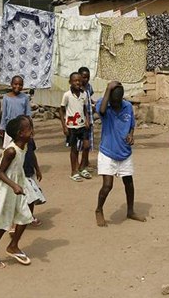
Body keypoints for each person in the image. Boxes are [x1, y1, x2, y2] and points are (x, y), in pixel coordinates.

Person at [94, 81, 146, 227]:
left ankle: (130, 211)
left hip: (124, 152)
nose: (116, 105)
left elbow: (131, 126)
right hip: (107, 152)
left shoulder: (128, 107)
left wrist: (131, 135)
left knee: (129, 183)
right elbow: (102, 111)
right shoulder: (105, 104)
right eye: (113, 102)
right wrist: (107, 89)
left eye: (118, 102)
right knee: (107, 185)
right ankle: (99, 210)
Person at [0, 115, 34, 269]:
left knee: (26, 217)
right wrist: (14, 185)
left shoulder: (25, 145)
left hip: (17, 184)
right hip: (5, 186)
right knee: (3, 220)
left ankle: (13, 246)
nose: (32, 131)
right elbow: (0, 173)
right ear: (20, 133)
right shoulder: (11, 151)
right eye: (29, 129)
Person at [59, 72, 91, 182]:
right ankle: (74, 171)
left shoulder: (84, 94)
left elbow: (85, 109)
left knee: (86, 146)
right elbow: (61, 110)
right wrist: (64, 126)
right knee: (74, 149)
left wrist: (87, 120)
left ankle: (82, 167)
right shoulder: (67, 95)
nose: (77, 82)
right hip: (71, 126)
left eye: (79, 80)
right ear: (70, 82)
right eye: (75, 81)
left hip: (83, 125)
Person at [22, 117, 46, 227]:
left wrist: (38, 169)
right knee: (22, 199)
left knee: (31, 198)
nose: (31, 131)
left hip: (29, 173)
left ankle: (30, 216)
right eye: (28, 129)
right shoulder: (15, 145)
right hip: (20, 176)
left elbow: (32, 155)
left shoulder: (30, 141)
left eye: (31, 128)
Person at [0, 75, 31, 148]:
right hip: (9, 126)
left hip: (21, 127)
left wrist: (30, 128)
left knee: (20, 147)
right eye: (15, 84)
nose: (18, 86)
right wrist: (2, 127)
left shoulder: (25, 97)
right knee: (9, 147)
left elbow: (28, 114)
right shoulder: (6, 97)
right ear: (11, 84)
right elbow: (4, 114)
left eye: (20, 85)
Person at [78, 66, 95, 170]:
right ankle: (80, 164)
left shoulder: (89, 87)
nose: (86, 80)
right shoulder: (77, 89)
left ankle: (86, 161)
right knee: (80, 144)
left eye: (87, 77)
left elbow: (89, 98)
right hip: (79, 120)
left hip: (90, 119)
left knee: (88, 143)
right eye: (84, 77)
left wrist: (93, 103)